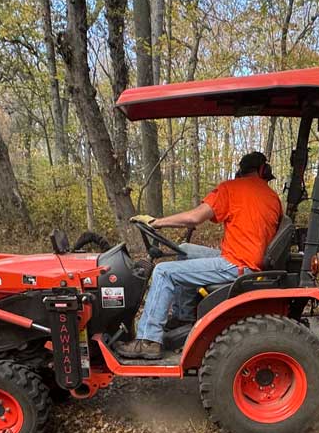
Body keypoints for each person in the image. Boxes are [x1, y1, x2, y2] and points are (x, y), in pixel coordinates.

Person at [117, 151, 283, 360]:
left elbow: (195, 218)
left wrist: (156, 222)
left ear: (240, 171)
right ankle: (183, 317)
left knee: (163, 271)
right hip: (249, 260)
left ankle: (148, 340)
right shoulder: (273, 198)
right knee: (185, 249)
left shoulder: (231, 188)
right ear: (263, 170)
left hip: (237, 264)